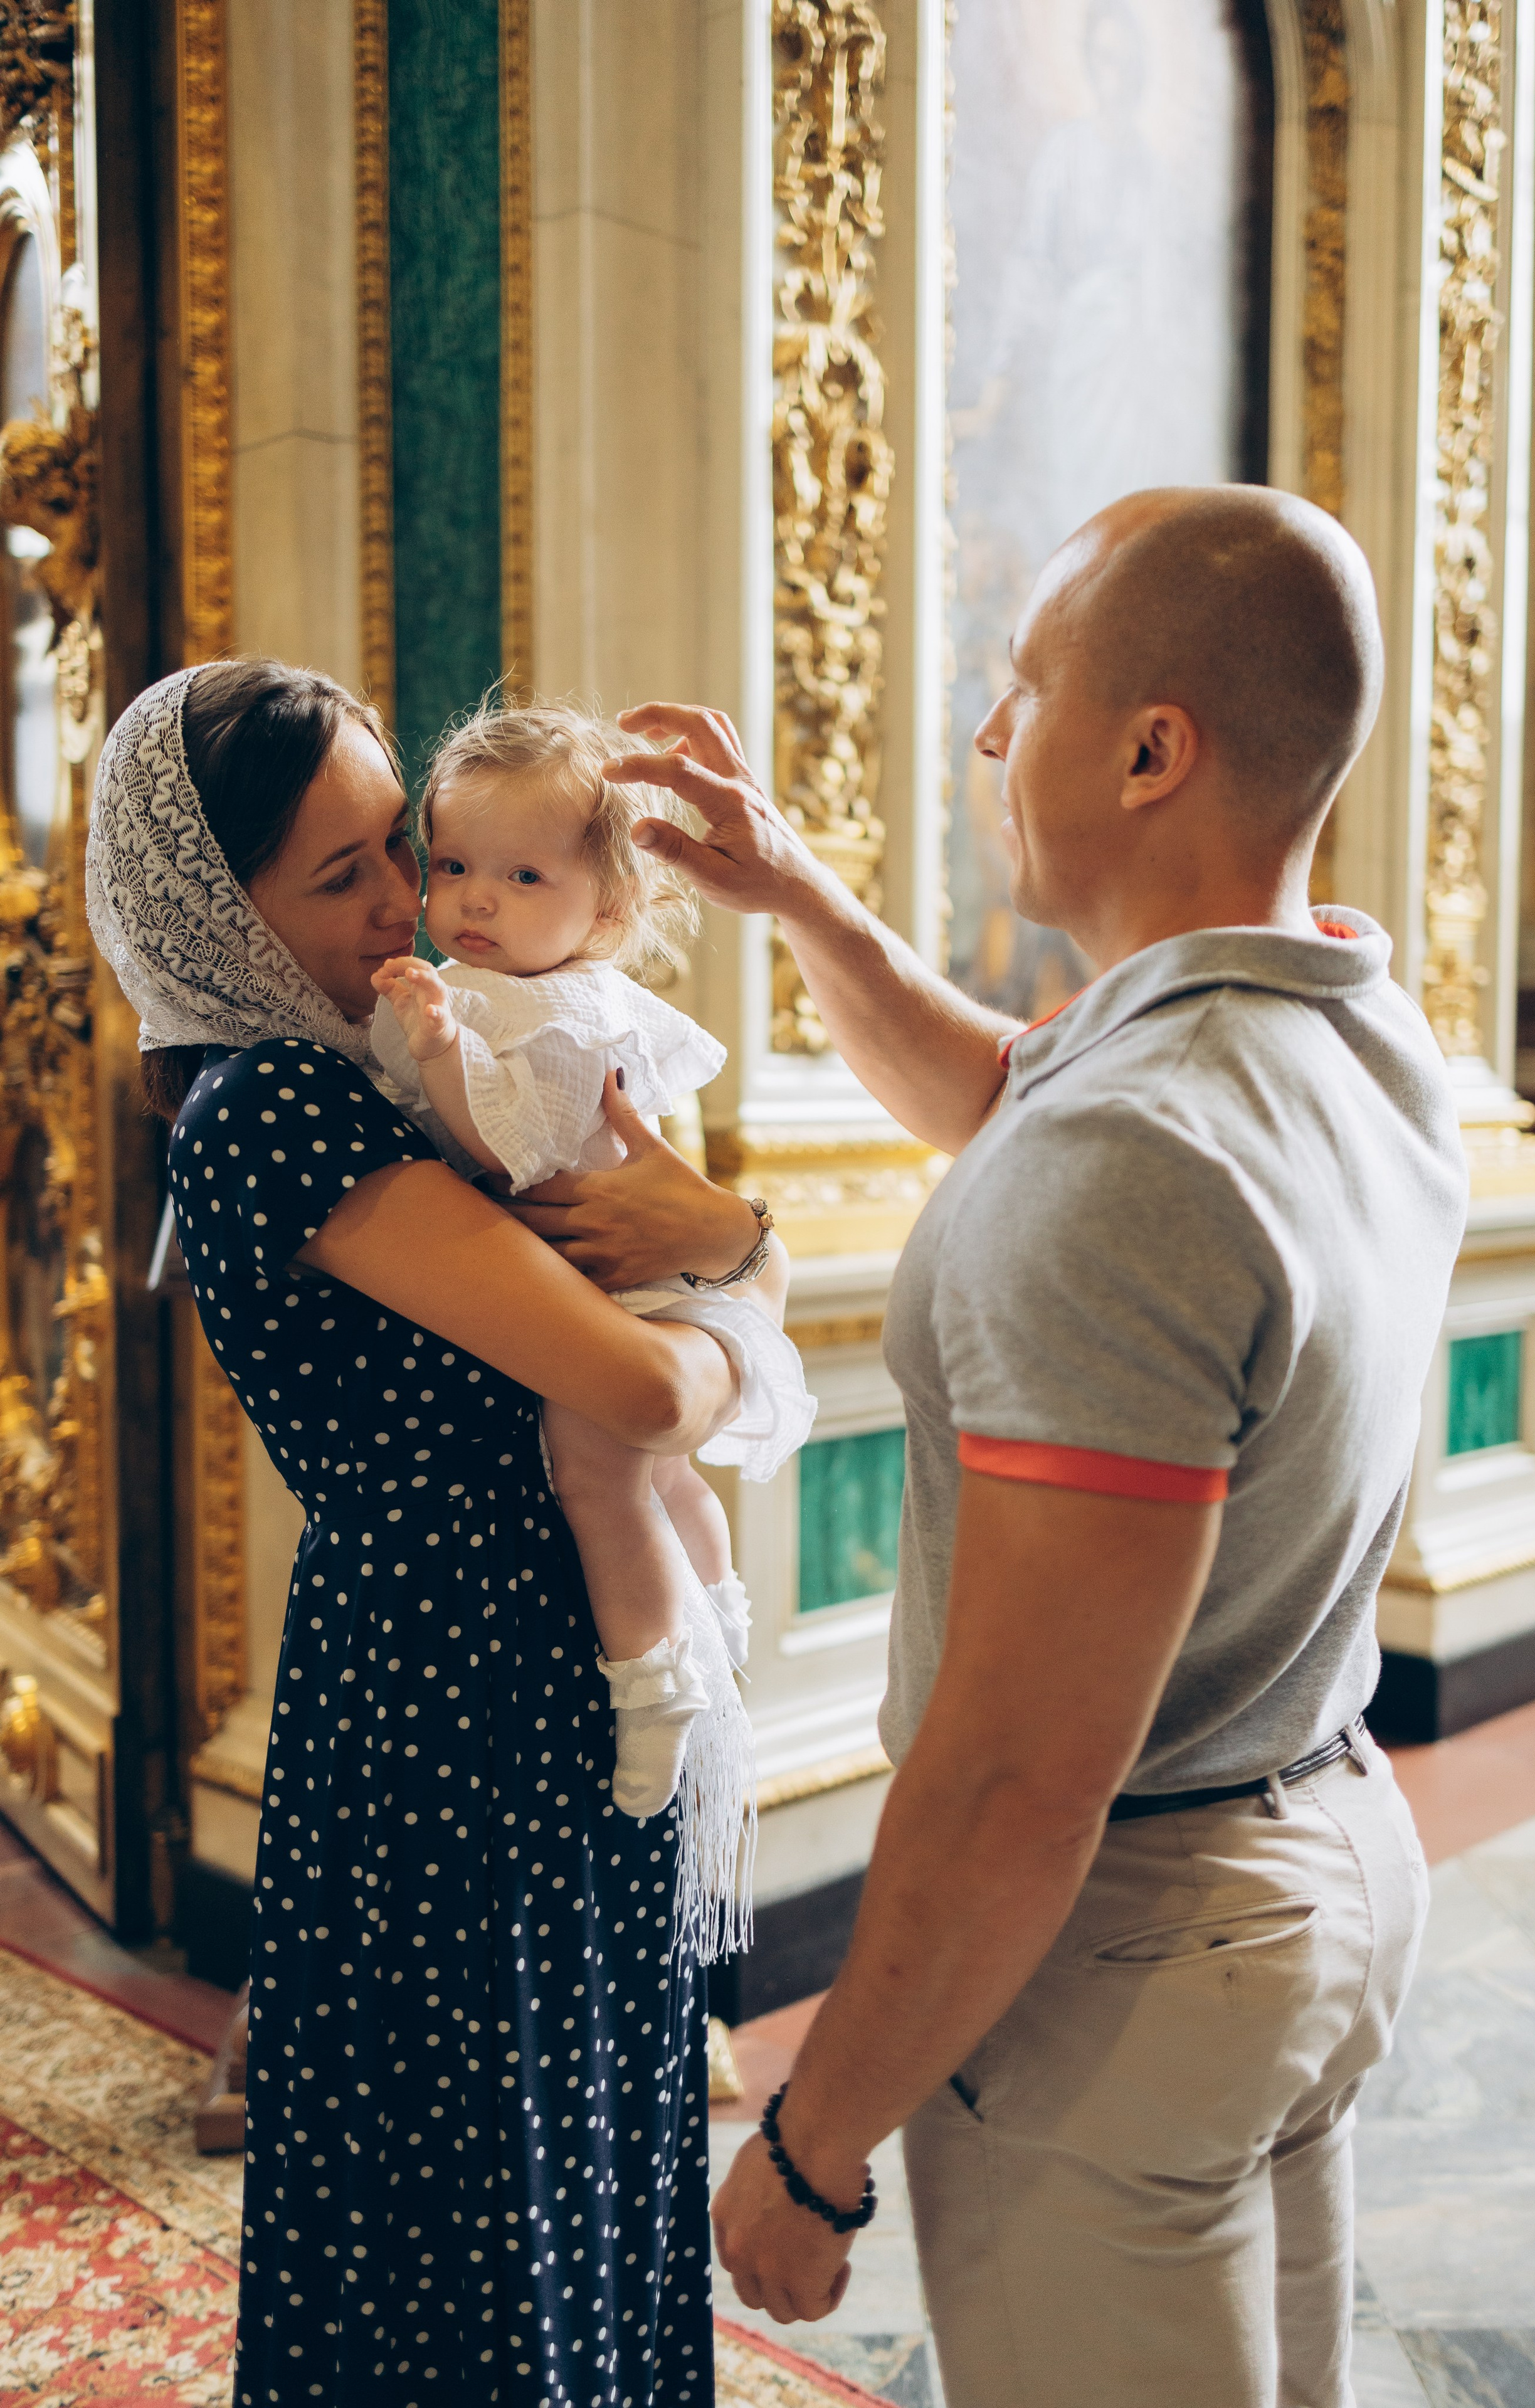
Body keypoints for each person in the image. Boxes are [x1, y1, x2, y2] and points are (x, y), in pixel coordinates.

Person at [554, 487, 1468, 2407]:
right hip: (1319, 1855)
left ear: (1152, 749)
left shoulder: (1128, 1155)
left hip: (1134, 1940)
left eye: (1021, 685)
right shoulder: (1342, 1021)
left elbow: (1019, 1780)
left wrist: (814, 2141)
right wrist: (800, 893)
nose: (989, 736)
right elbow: (1006, 1089)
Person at [84, 657, 775, 2408]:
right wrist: (742, 1276)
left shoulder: (398, 1069)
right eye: (344, 876)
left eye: (403, 843)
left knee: (581, 2144)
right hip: (444, 1714)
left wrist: (709, 1250)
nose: (414, 900)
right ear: (214, 917)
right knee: (476, 2206)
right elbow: (626, 1390)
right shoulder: (276, 1114)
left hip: (536, 1675)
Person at [371, 701, 813, 1822]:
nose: (472, 899)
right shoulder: (500, 994)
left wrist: (441, 1052)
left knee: (597, 1459)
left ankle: (655, 1681)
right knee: (665, 1477)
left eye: (524, 878)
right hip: (632, 1280)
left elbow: (507, 1153)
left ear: (608, 910)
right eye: (457, 864)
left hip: (637, 1286)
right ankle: (710, 1606)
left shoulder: (563, 1018)